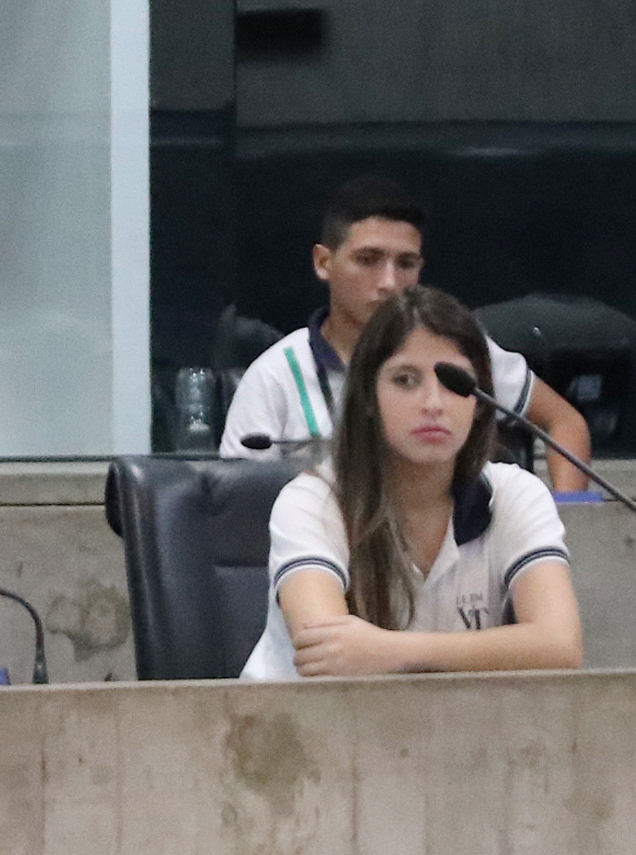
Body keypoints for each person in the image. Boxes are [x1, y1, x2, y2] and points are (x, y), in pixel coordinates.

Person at [246, 286, 581, 681]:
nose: (433, 403)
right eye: (405, 380)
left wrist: (391, 651)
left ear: (479, 402)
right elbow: (327, 657)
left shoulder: (514, 495)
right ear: (368, 398)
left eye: (454, 382)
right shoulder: (313, 502)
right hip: (292, 720)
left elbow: (560, 645)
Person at [220, 176, 596, 478]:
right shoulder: (275, 376)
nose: (389, 283)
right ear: (323, 262)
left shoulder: (454, 350)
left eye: (405, 264)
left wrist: (567, 517)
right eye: (368, 259)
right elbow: (232, 507)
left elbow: (565, 423)